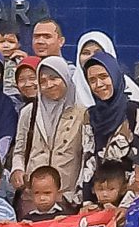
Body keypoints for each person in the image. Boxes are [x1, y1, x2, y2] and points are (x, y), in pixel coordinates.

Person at [76, 34, 139, 188]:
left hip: (130, 196)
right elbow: (88, 159)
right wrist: (87, 200)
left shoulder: (137, 112)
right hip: (99, 195)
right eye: (92, 80)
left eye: (104, 76)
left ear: (115, 76)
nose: (99, 84)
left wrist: (126, 203)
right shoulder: (90, 115)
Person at [11, 55, 88, 194]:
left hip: (66, 195)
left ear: (65, 77)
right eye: (43, 81)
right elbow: (19, 150)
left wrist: (77, 194)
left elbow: (85, 158)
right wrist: (17, 169)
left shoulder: (83, 114)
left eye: (54, 78)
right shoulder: (29, 112)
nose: (49, 85)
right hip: (32, 194)